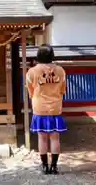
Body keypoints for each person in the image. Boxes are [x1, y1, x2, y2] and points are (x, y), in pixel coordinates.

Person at [27, 44, 67, 175]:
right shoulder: (60, 71)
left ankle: (44, 166)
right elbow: (62, 89)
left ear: (38, 56)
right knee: (55, 138)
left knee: (42, 138)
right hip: (55, 107)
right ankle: (54, 166)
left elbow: (30, 91)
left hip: (39, 107)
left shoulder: (32, 72)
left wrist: (35, 96)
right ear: (52, 55)